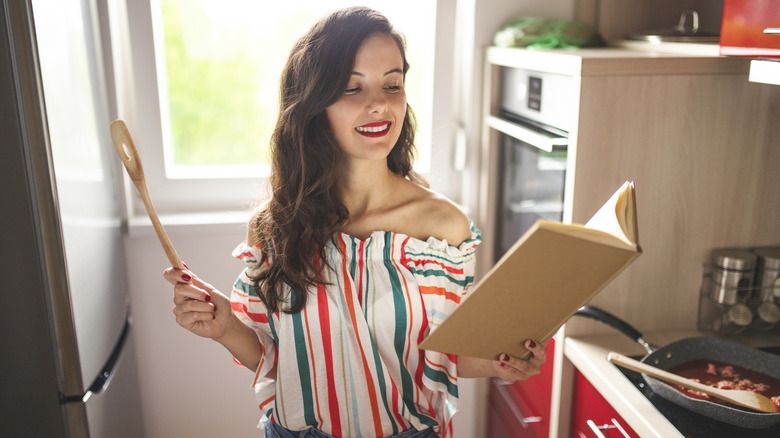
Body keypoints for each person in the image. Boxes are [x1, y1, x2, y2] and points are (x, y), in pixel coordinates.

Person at [164, 6, 546, 438]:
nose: (380, 103)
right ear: (313, 104)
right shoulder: (276, 225)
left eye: (392, 84)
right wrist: (224, 327)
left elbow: (444, 358)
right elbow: (277, 359)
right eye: (351, 88)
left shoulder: (443, 228)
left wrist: (506, 361)